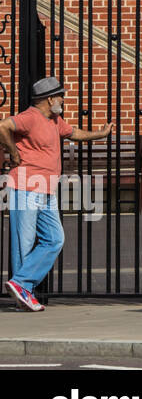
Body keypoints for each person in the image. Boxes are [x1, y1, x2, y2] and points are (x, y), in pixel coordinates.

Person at [0, 77, 113, 312]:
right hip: (27, 186)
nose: (63, 99)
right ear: (49, 98)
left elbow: (74, 133)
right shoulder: (30, 117)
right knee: (25, 243)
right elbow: (3, 126)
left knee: (54, 238)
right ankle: (24, 294)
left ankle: (20, 284)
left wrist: (100, 134)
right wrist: (13, 153)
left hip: (46, 190)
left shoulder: (54, 120)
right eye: (60, 96)